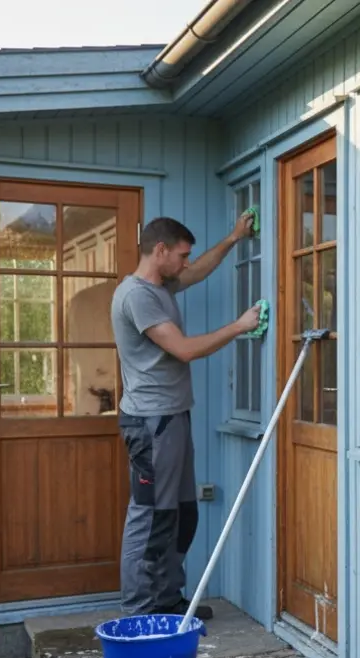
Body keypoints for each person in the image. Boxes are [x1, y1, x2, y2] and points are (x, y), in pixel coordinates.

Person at [111, 213, 260, 619]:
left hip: (173, 418)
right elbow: (185, 350)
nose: (186, 263)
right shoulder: (136, 296)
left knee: (182, 513)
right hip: (151, 424)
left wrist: (233, 237)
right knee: (152, 516)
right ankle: (139, 612)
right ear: (160, 251)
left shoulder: (162, 285)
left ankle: (167, 599)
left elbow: (199, 273)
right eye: (181, 255)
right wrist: (239, 326)